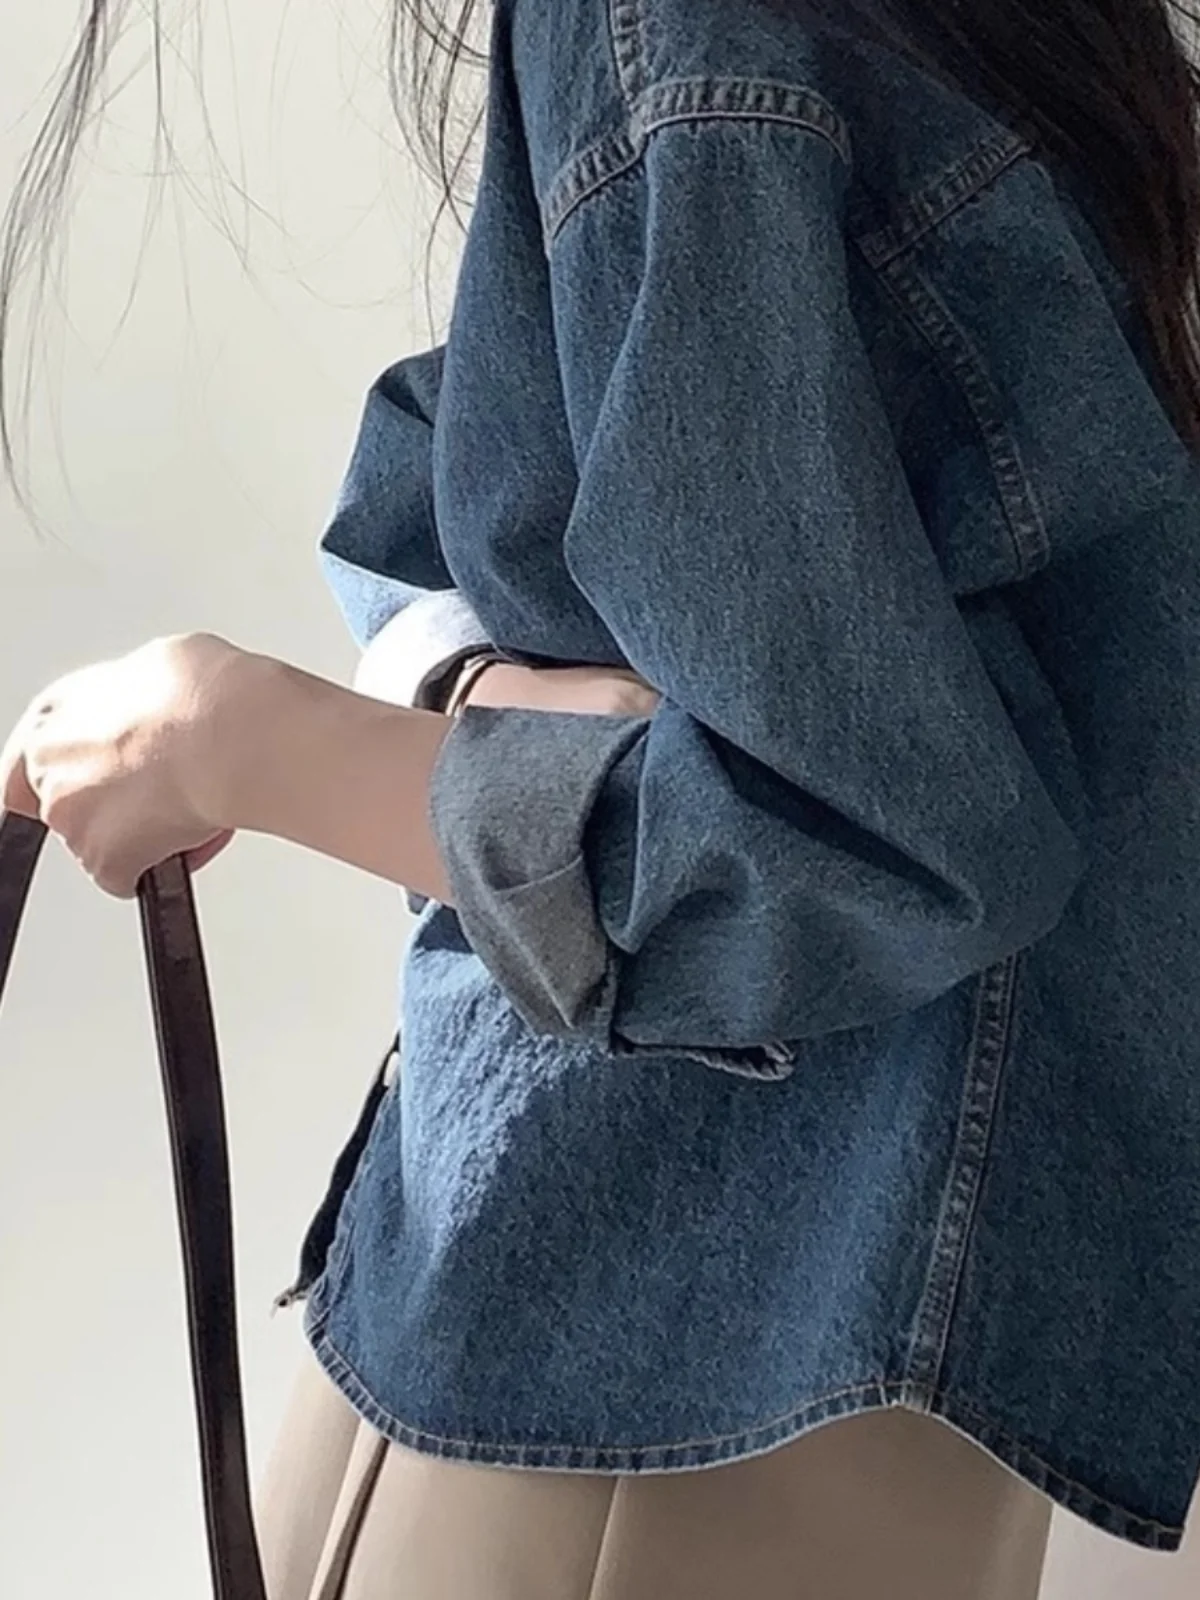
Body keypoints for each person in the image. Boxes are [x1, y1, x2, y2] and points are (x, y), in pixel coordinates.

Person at [4, 0, 1200, 1595]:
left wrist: (238, 742)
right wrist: (471, 687)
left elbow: (862, 835)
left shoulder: (694, 34)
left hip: (654, 1329)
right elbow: (487, 444)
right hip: (814, 1321)